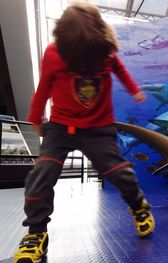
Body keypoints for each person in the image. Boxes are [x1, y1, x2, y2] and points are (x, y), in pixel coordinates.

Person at [14, 2, 155, 262]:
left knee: (119, 172)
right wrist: (35, 117)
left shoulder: (105, 51)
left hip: (98, 126)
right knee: (41, 175)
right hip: (60, 127)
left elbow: (120, 70)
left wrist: (134, 88)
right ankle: (36, 232)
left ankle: (138, 205)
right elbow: (43, 87)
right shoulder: (54, 53)